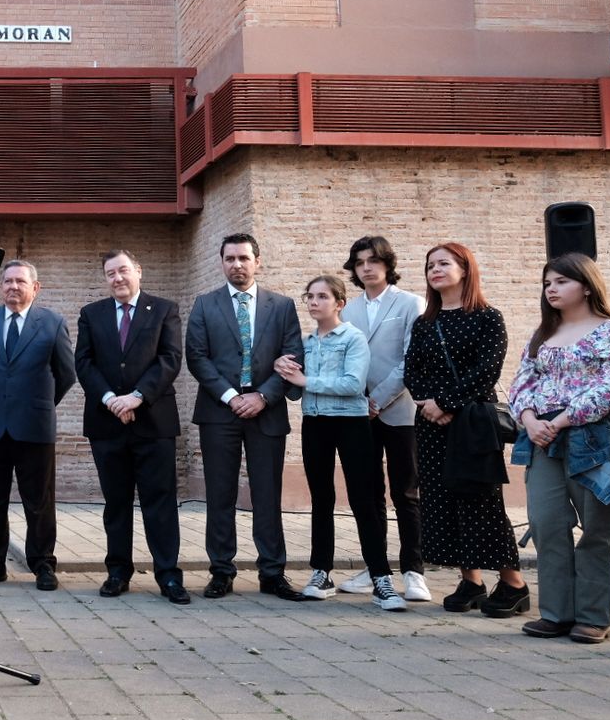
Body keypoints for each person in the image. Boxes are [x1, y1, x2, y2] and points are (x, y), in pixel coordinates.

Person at [508, 253, 610, 644]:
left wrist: (562, 420)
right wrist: (529, 420)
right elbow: (521, 381)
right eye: (548, 283)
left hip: (591, 438)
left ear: (586, 284)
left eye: (561, 281)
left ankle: (594, 616)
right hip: (541, 437)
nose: (552, 289)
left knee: (597, 527)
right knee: (547, 524)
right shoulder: (544, 332)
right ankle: (557, 613)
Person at [403, 242, 526, 617]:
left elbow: (487, 371)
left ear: (465, 269)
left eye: (444, 263)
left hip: (472, 423)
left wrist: (446, 404)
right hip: (430, 424)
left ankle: (514, 585)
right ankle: (471, 581)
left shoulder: (488, 317)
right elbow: (412, 371)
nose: (435, 270)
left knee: (480, 501)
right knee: (440, 502)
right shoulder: (425, 322)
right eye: (430, 266)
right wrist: (429, 403)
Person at [186, 233, 306, 601]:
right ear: (221, 263)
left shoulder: (281, 306)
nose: (236, 264)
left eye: (243, 258)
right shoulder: (205, 305)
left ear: (258, 262)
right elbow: (197, 357)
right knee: (219, 494)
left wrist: (264, 397)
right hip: (219, 413)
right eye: (230, 259)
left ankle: (273, 572)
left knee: (267, 494)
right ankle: (221, 571)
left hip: (266, 413)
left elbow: (293, 354)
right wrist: (230, 396)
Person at [275, 274, 406, 611]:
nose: (314, 302)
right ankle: (321, 572)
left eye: (322, 296)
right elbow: (293, 390)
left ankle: (382, 579)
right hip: (315, 424)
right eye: (310, 296)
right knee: (321, 499)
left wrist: (305, 379)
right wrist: (283, 368)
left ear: (340, 302)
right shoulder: (305, 343)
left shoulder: (353, 338)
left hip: (352, 424)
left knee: (363, 500)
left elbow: (352, 384)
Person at [74, 251, 185, 601]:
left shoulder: (165, 309)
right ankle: (117, 573)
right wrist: (111, 399)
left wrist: (137, 397)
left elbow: (170, 359)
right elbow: (84, 363)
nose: (118, 278)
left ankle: (168, 576)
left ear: (138, 270)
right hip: (107, 424)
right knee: (116, 503)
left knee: (160, 502)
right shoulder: (92, 314)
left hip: (153, 422)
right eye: (110, 273)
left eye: (123, 270)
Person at [0, 260, 76, 592]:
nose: (13, 286)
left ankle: (42, 564)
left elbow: (65, 374)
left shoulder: (52, 323)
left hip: (35, 426)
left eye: (20, 281)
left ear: (34, 288)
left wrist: (36, 404)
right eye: (7, 281)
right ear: (1, 288)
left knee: (38, 500)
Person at [340, 236, 429, 601]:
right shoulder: (348, 310)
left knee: (406, 492)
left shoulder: (411, 303)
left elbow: (413, 359)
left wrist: (377, 398)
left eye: (374, 260)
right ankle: (376, 567)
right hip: (357, 412)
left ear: (387, 264)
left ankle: (414, 570)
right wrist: (359, 399)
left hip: (400, 412)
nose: (366, 267)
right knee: (366, 494)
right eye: (359, 262)